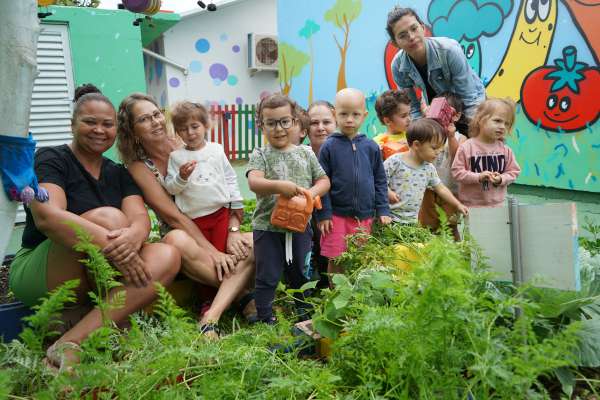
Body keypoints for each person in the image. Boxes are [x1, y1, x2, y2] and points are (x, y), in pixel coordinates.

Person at [8, 84, 180, 370]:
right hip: (44, 268)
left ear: (116, 129)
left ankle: (70, 341)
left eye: (107, 124)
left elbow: (139, 219)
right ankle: (114, 322)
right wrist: (120, 249)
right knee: (109, 219)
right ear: (72, 124)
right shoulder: (51, 159)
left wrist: (135, 236)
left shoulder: (118, 172)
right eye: (90, 122)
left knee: (167, 255)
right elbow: (48, 217)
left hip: (103, 271)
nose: (99, 130)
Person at [116, 93, 255, 337]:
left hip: (218, 223)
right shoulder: (138, 167)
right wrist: (214, 252)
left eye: (157, 114)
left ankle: (215, 308)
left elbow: (226, 185)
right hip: (183, 235)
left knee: (254, 243)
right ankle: (241, 295)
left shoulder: (186, 141)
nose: (156, 122)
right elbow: (174, 217)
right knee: (176, 240)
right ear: (132, 131)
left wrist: (234, 231)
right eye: (144, 119)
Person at [246, 93, 330, 324]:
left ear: (295, 122)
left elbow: (324, 181)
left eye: (284, 121)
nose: (279, 128)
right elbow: (254, 183)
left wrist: (311, 194)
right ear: (261, 125)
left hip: (299, 226)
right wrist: (278, 186)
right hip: (267, 227)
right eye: (270, 123)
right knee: (267, 275)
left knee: (301, 274)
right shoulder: (260, 154)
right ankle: (265, 318)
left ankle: (304, 315)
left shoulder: (305, 153)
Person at [316, 88, 391, 279]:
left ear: (364, 116)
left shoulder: (371, 147)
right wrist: (324, 213)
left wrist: (382, 209)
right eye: (343, 114)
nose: (349, 119)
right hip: (335, 217)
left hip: (364, 217)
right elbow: (320, 182)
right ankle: (335, 298)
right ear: (335, 114)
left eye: (355, 114)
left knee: (361, 258)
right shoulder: (329, 147)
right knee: (336, 260)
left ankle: (357, 298)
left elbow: (380, 181)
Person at [164, 101, 244, 255]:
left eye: (195, 126)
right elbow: (171, 189)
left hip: (220, 213)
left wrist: (236, 202)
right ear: (178, 133)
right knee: (206, 256)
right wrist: (181, 177)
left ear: (205, 125)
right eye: (183, 129)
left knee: (224, 251)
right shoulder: (176, 157)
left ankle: (225, 278)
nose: (190, 133)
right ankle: (207, 279)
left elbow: (230, 177)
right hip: (194, 220)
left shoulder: (216, 150)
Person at [387, 6, 485, 121]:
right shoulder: (398, 67)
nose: (411, 37)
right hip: (438, 113)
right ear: (395, 43)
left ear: (423, 28)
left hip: (472, 106)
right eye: (402, 35)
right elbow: (413, 109)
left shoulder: (449, 51)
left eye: (414, 29)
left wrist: (473, 133)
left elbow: (470, 99)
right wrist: (421, 134)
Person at [385, 118, 468, 225]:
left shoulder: (428, 168)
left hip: (411, 222)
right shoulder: (395, 161)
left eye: (441, 148)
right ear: (416, 145)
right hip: (389, 218)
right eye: (434, 148)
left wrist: (457, 205)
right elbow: (378, 181)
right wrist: (387, 192)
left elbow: (441, 188)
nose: (439, 151)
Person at [451, 98, 521, 208]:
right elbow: (457, 172)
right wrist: (478, 177)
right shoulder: (467, 147)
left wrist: (501, 179)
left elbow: (514, 172)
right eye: (497, 121)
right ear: (480, 120)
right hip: (471, 205)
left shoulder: (505, 150)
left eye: (507, 124)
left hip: (498, 205)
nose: (502, 127)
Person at [418, 92, 468, 239]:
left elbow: (457, 159)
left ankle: (457, 255)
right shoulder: (428, 135)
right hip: (428, 189)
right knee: (427, 225)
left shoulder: (461, 137)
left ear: (456, 116)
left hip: (450, 191)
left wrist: (451, 136)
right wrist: (426, 120)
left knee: (450, 226)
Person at [306, 100, 337, 288]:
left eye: (326, 122)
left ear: (335, 123)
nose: (320, 128)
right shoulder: (300, 154)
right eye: (314, 123)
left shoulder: (343, 152)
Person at [373, 89, 412, 159]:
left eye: (410, 114)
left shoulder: (413, 134)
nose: (409, 119)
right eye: (403, 116)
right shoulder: (377, 143)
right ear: (387, 121)